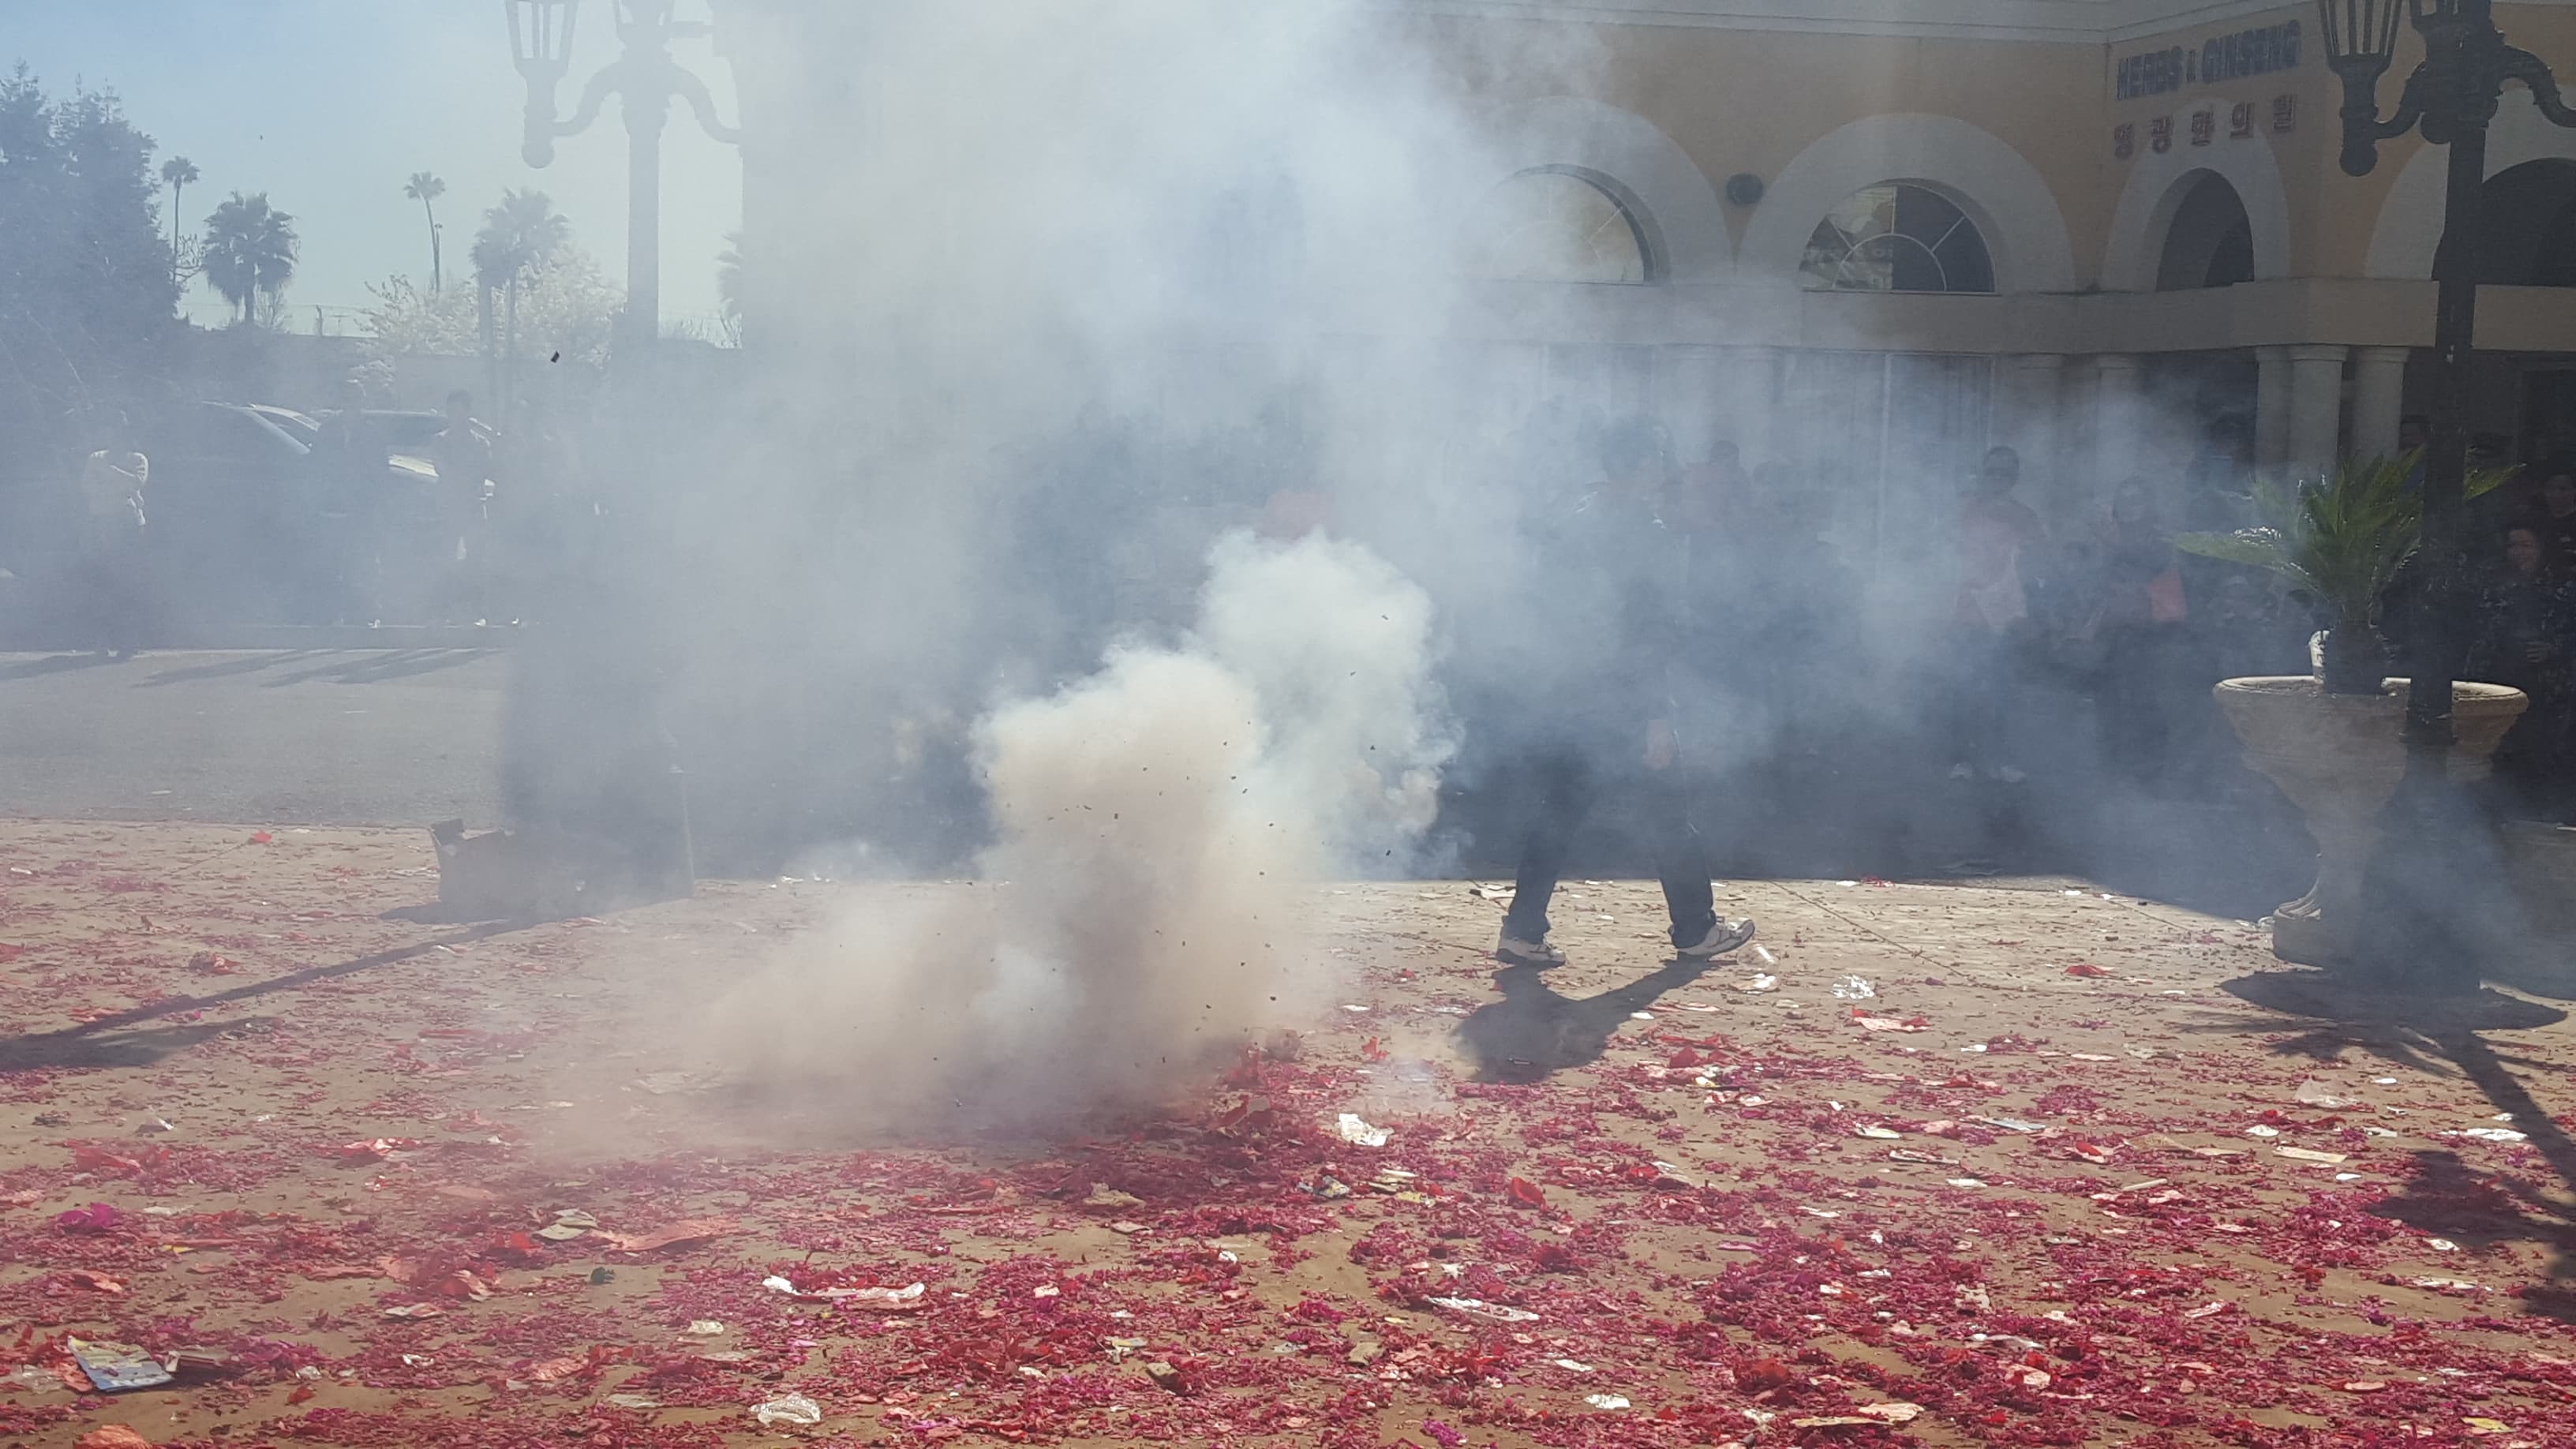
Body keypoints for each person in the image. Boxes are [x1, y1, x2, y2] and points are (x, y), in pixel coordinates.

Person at [1496, 415, 1757, 968]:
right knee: (1668, 813)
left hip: (1572, 694)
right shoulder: (1646, 534)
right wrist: (1655, 718)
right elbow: (1645, 633)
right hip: (1622, 700)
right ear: (1643, 467)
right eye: (1659, 462)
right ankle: (1694, 929)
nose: (1664, 473)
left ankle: (1522, 930)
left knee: (1559, 813)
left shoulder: (1577, 524)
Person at [1945, 444, 2045, 784]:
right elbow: (1941, 552)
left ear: (2014, 478)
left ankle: (2000, 758)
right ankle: (1961, 758)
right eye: (1993, 472)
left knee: (2002, 689)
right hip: (1967, 612)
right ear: (1983, 474)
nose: (1998, 479)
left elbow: (2037, 564)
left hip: (2006, 615)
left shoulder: (2026, 517)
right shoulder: (1963, 511)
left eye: (2006, 473)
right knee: (1965, 686)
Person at [2467, 522, 2574, 817]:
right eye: (2513, 545)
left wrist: (2554, 649)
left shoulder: (2564, 584)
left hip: (2548, 687)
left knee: (2541, 753)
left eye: (2527, 546)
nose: (2519, 553)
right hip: (2501, 677)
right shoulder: (2496, 582)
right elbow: (2482, 629)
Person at [2091, 478, 2192, 789]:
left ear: (2149, 505)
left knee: (2145, 700)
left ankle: (2148, 771)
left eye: (2137, 500)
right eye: (2124, 500)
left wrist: (2115, 546)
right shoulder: (2106, 539)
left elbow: (2151, 566)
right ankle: (2113, 770)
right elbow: (2093, 578)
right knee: (2110, 701)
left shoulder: (2159, 539)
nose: (2130, 506)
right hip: (2113, 630)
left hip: (2152, 632)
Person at [75, 416, 151, 658]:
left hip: (129, 527)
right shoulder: (94, 458)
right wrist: (121, 486)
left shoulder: (138, 460)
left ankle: (129, 642)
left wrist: (108, 473)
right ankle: (101, 642)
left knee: (128, 584)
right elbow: (88, 487)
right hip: (102, 525)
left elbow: (136, 481)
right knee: (102, 584)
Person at [430, 390, 493, 624]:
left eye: (458, 410)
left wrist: (463, 481)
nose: (454, 415)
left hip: (474, 506)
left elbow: (482, 471)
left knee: (476, 559)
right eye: (450, 411)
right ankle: (444, 610)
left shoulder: (481, 443)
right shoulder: (440, 440)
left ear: (468, 412)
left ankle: (475, 611)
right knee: (445, 557)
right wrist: (459, 479)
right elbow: (441, 468)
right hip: (448, 506)